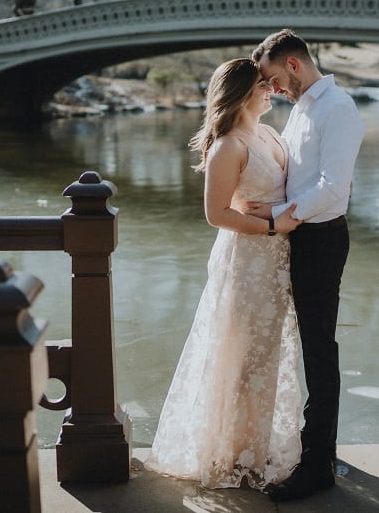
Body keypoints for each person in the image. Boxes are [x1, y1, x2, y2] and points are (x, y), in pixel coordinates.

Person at [146, 58, 304, 491]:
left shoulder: (270, 134)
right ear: (239, 93)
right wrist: (272, 224)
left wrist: (282, 213)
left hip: (276, 261)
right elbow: (216, 215)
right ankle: (233, 453)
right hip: (247, 260)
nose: (270, 88)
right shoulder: (228, 146)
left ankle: (256, 444)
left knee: (267, 356)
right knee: (240, 358)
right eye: (261, 85)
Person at [249, 29, 365, 502]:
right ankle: (316, 442)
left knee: (319, 349)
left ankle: (318, 464)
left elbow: (335, 188)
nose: (273, 89)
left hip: (320, 241)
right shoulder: (300, 110)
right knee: (306, 345)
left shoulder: (338, 109)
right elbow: (299, 179)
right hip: (297, 236)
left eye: (275, 78)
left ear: (293, 65)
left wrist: (279, 218)